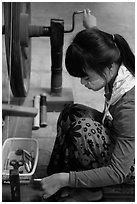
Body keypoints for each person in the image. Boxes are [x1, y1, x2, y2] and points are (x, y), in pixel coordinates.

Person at [41, 9, 135, 200]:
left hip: (128, 165)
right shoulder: (116, 57)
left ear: (108, 68)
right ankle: (55, 177)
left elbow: (118, 172)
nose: (83, 83)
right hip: (125, 137)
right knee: (71, 112)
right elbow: (100, 48)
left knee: (84, 131)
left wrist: (67, 179)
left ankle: (88, 190)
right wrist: (91, 28)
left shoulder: (129, 107)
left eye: (86, 77)